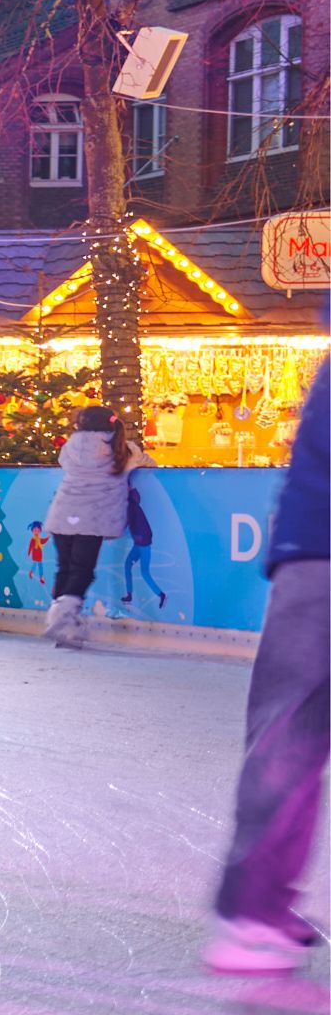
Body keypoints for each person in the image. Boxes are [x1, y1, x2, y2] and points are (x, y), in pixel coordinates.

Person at [209, 366, 326, 974]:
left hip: (311, 557)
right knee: (291, 736)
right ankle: (252, 914)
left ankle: (258, 908)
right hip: (322, 561)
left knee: (292, 737)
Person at [41, 404, 143, 650]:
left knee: (65, 568)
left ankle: (62, 618)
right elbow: (144, 462)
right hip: (93, 517)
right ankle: (63, 618)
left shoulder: (70, 447)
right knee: (82, 569)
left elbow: (64, 463)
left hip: (64, 512)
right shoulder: (122, 450)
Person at [118, 476, 167, 611]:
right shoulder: (131, 500)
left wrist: (112, 534)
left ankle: (161, 594)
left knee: (145, 572)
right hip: (139, 541)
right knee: (128, 565)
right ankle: (129, 595)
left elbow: (125, 523)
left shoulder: (129, 503)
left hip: (143, 542)